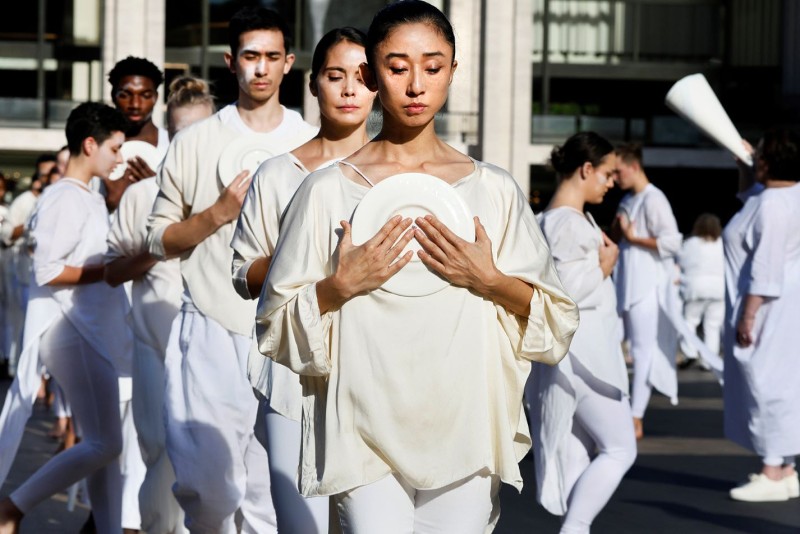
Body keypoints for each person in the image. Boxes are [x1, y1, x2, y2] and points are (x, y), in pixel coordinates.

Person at [254, 1, 579, 531]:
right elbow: (274, 322)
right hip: (361, 426)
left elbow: (556, 318)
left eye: (432, 66)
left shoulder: (492, 189)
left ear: (453, 70)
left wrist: (490, 280)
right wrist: (339, 287)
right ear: (372, 74)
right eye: (398, 67)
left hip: (464, 422)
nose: (415, 85)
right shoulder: (324, 190)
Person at [146, 6, 317, 532]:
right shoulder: (194, 142)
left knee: (278, 489)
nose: (261, 68)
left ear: (289, 62)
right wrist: (217, 214)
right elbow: (157, 239)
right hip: (212, 324)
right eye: (250, 56)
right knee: (211, 485)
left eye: (271, 56)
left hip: (290, 330)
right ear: (231, 62)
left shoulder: (311, 141)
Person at [230, 26, 376, 532]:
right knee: (300, 525)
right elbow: (243, 276)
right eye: (336, 76)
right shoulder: (276, 174)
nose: (350, 89)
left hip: (375, 375)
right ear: (313, 84)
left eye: (363, 77)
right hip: (291, 372)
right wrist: (308, 258)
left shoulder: (399, 177)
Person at [0, 101, 133, 533]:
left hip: (85, 329)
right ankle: (12, 508)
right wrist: (109, 271)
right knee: (106, 443)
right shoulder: (64, 198)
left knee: (104, 448)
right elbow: (48, 270)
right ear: (90, 144)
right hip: (72, 330)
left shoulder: (85, 196)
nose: (119, 158)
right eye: (114, 148)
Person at [105, 75, 214, 534]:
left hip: (215, 349)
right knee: (157, 453)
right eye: (185, 134)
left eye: (204, 134)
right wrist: (161, 245)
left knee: (216, 463)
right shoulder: (142, 194)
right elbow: (111, 271)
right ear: (171, 133)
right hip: (154, 344)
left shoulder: (239, 191)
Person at [527, 132, 636, 534]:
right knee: (620, 448)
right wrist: (605, 267)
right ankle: (576, 527)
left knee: (575, 454)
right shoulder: (567, 224)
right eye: (607, 173)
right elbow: (567, 293)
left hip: (572, 356)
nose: (611, 182)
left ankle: (576, 528)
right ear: (586, 169)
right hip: (586, 356)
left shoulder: (546, 220)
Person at [724, 127, 800, 502]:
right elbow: (749, 197)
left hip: (765, 305)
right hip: (784, 304)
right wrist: (745, 167)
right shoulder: (784, 195)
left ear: (768, 163)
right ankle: (785, 468)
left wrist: (747, 316)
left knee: (765, 382)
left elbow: (765, 267)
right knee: (781, 383)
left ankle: (773, 469)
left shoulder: (772, 202)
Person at [611, 143, 683, 440]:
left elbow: (672, 242)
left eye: (618, 171)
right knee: (617, 347)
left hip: (646, 286)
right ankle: (623, 413)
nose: (615, 178)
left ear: (634, 166)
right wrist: (621, 233)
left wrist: (633, 237)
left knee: (642, 352)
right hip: (626, 283)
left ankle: (636, 416)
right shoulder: (629, 198)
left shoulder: (655, 199)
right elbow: (620, 240)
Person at [0, 153, 56, 376]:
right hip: (23, 273)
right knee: (21, 321)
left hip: (52, 275)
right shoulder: (24, 202)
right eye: (44, 174)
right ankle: (18, 368)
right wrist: (31, 225)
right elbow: (6, 235)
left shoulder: (59, 197)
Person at [100, 56, 170, 212]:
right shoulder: (97, 146)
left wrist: (155, 189)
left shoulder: (173, 145)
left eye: (145, 95)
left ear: (155, 97)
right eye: (125, 95)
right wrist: (109, 203)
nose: (135, 104)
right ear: (113, 96)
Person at [676, 212, 724, 370]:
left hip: (695, 287)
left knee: (690, 321)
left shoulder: (691, 243)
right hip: (718, 289)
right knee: (713, 326)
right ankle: (709, 360)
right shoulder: (722, 244)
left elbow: (680, 261)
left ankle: (690, 352)